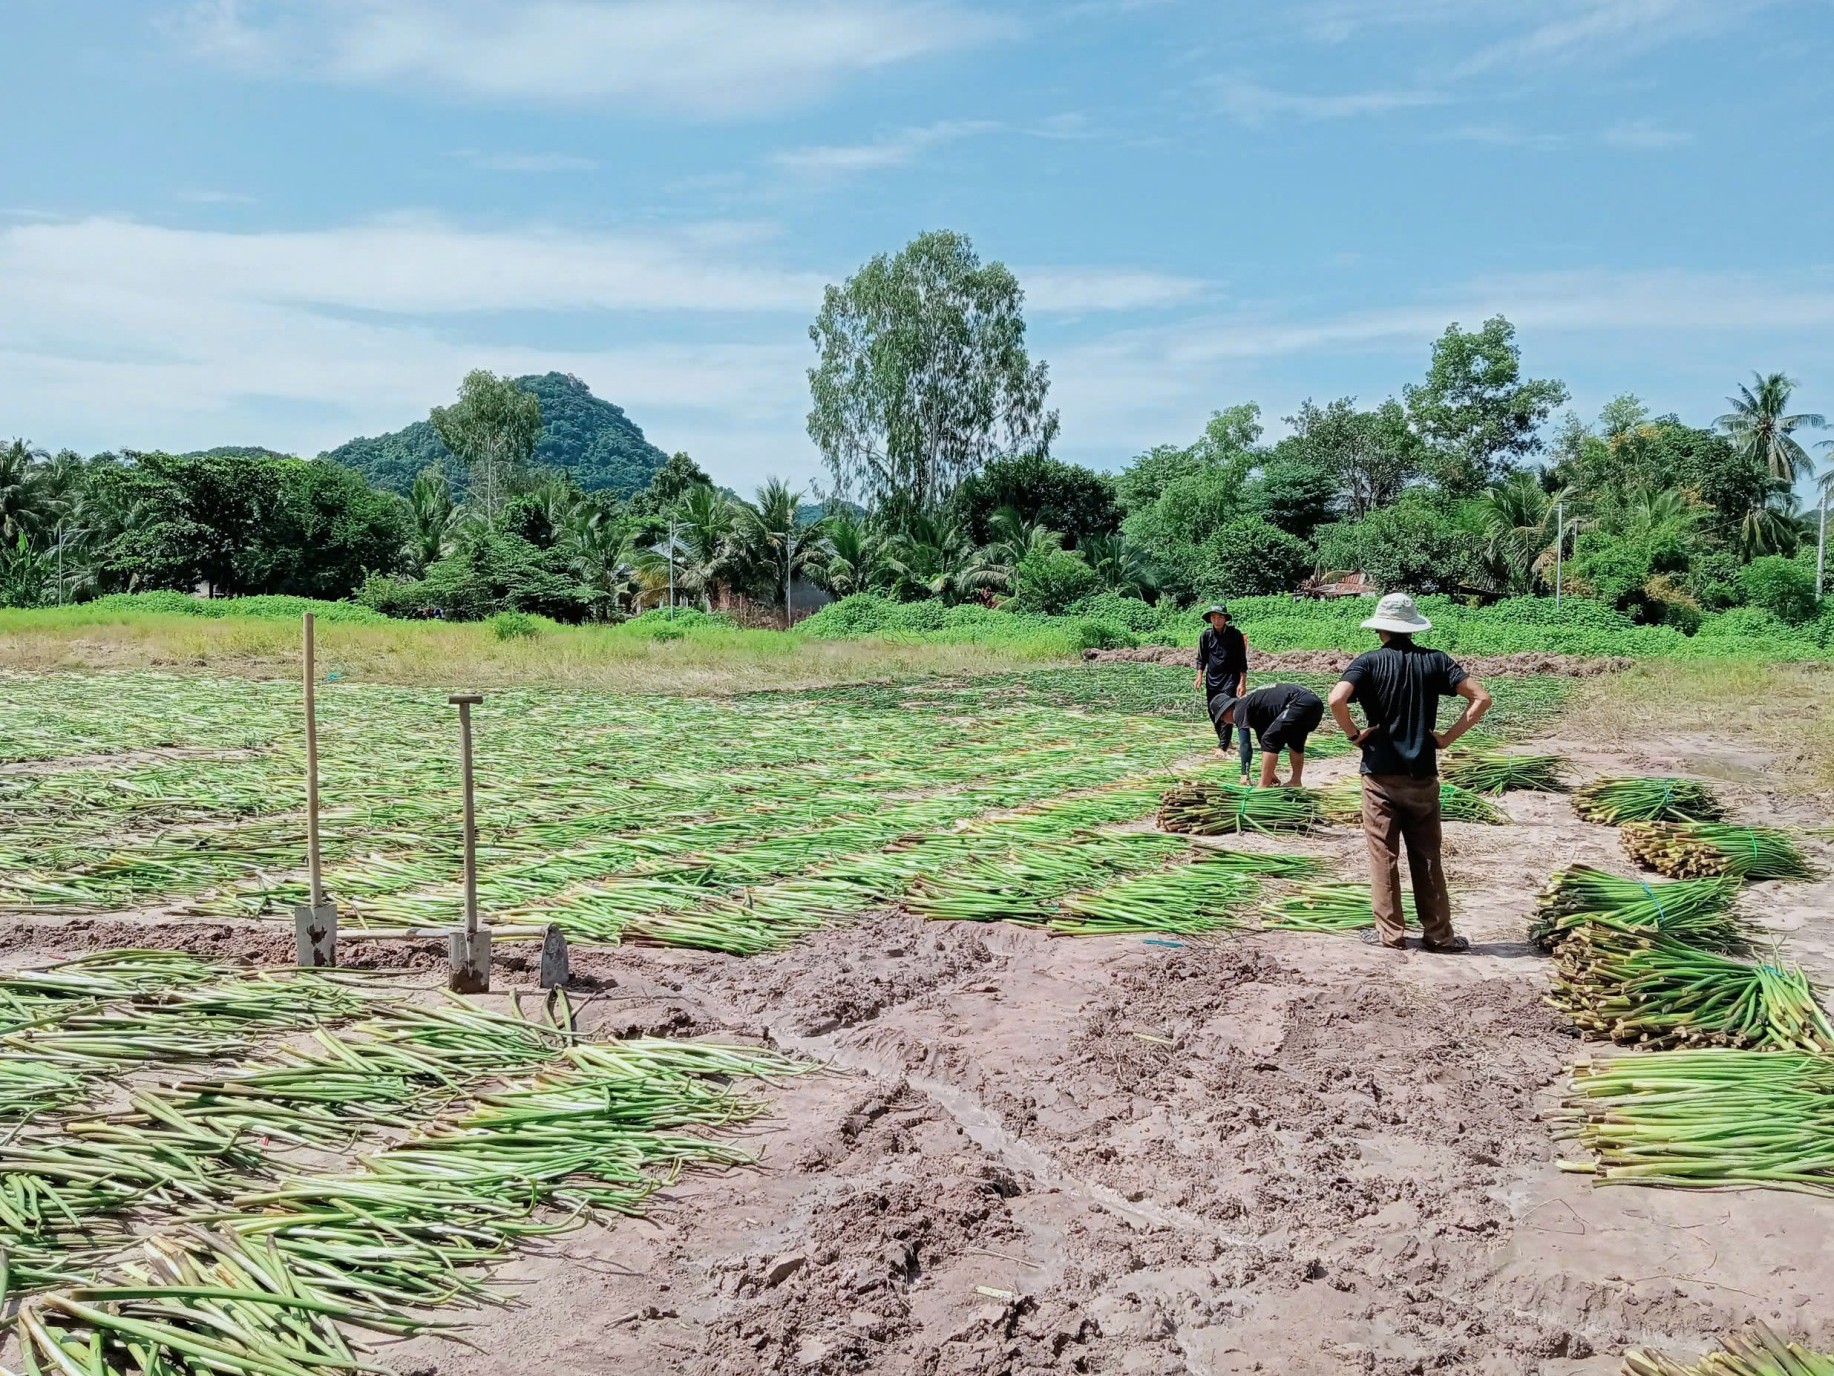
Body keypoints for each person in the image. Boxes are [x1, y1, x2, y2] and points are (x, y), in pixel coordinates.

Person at [1326, 592, 1492, 955]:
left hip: (1379, 775)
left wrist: (1354, 735)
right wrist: (1446, 737)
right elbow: (1481, 697)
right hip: (1421, 774)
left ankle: (1391, 934)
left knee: (1383, 855)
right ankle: (1439, 935)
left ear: (1380, 629)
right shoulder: (1435, 661)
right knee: (1427, 855)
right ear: (1412, 627)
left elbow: (1336, 699)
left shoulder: (1368, 663)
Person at [1210, 683, 1326, 788]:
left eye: (1222, 718)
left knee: (1270, 739)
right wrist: (1270, 772)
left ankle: (1263, 785)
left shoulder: (1239, 709)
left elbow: (1245, 744)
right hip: (1313, 703)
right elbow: (1265, 742)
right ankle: (1295, 781)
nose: (1225, 722)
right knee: (1295, 741)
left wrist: (1244, 774)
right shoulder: (1253, 707)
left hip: (1299, 702)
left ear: (1227, 710)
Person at [1194, 604, 1249, 753]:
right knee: (1213, 712)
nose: (1216, 620)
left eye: (1219, 617)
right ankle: (1225, 741)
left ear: (1225, 618)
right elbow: (1201, 658)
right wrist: (1199, 676)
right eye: (1213, 617)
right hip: (1212, 679)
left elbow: (1242, 660)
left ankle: (1223, 746)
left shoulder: (1235, 635)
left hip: (1230, 678)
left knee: (1226, 709)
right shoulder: (1206, 635)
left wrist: (1242, 682)